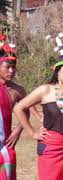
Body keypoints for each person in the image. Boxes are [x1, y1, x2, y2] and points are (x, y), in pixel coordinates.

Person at [0, 48, 27, 180]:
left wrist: (18, 130)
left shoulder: (18, 90)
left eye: (14, 67)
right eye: (7, 67)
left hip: (5, 144)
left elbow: (26, 111)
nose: (11, 71)